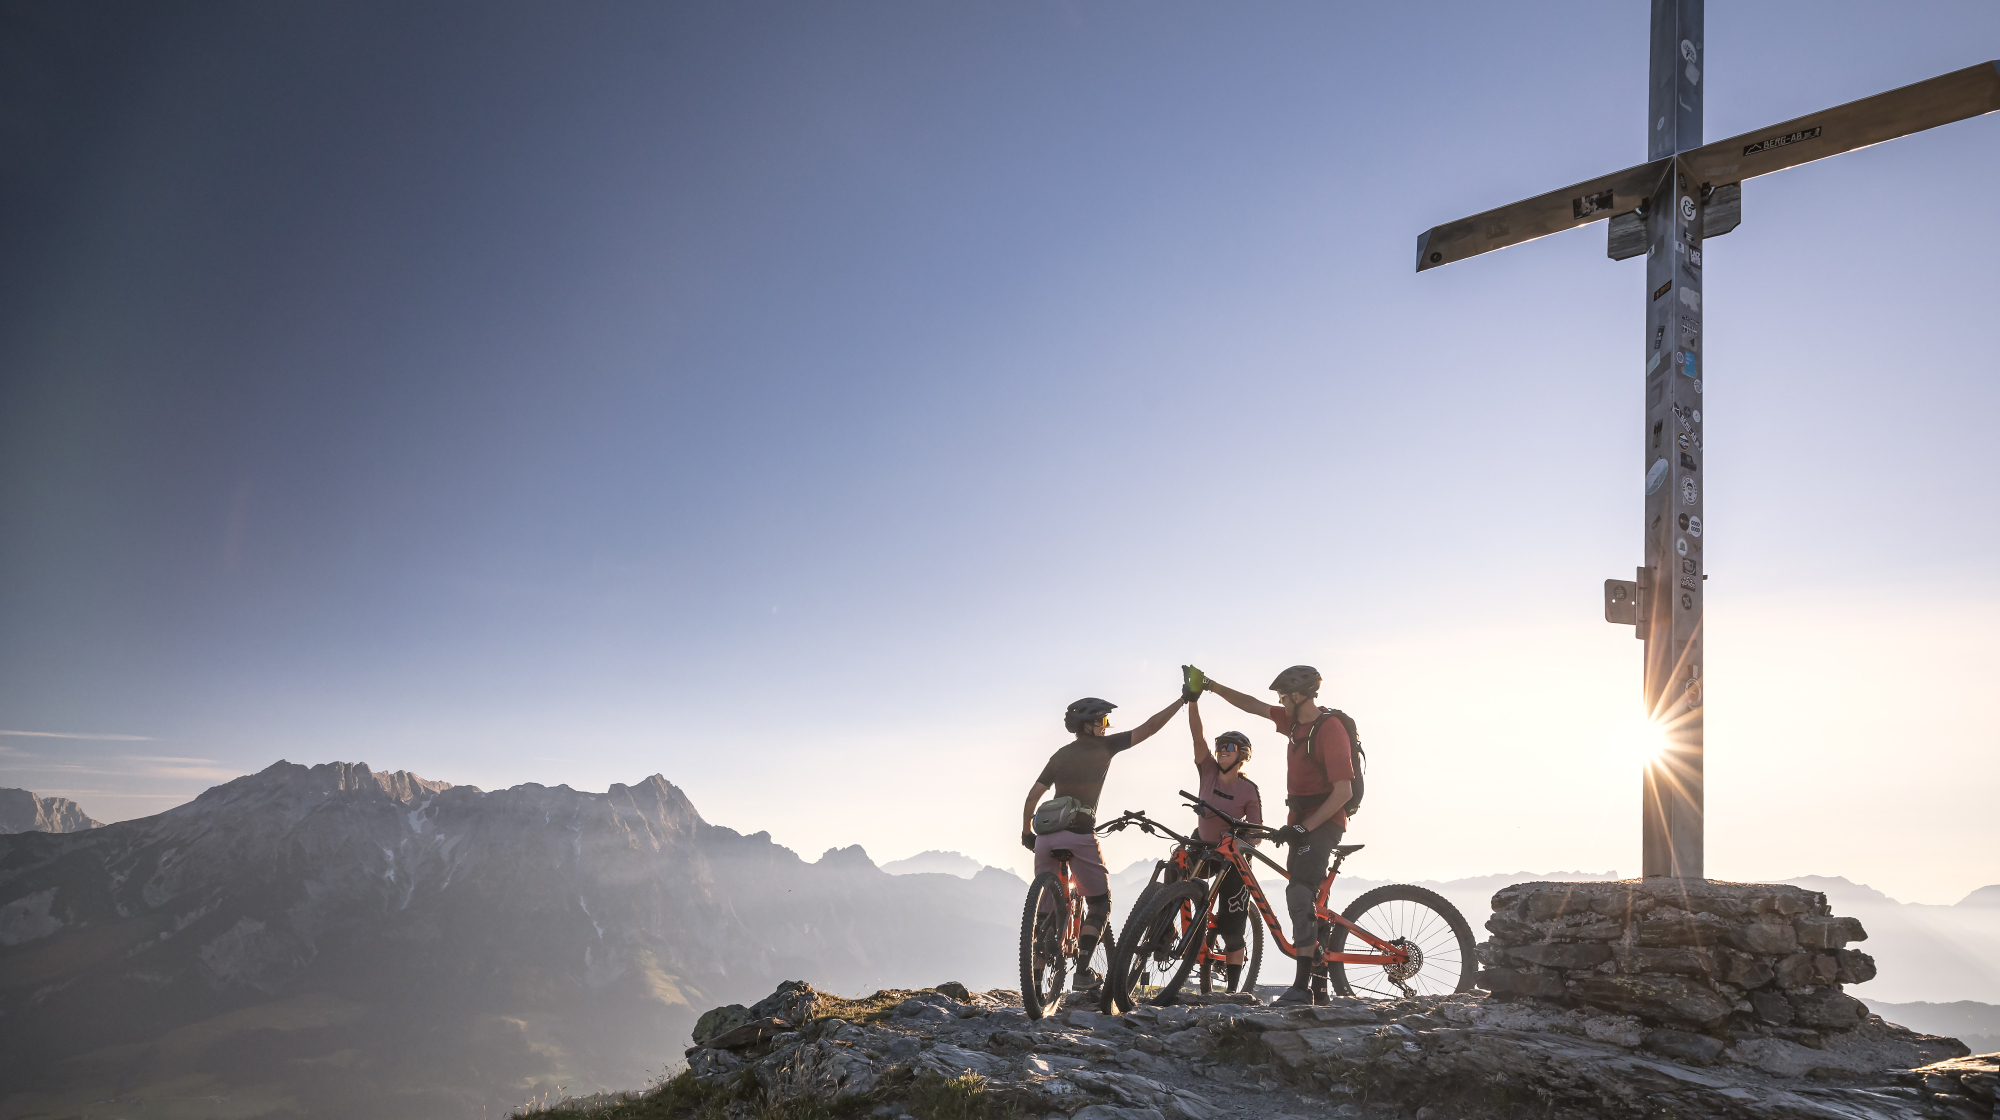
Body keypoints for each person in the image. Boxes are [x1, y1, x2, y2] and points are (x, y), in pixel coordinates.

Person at [1194, 664, 1353, 1005]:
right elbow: (1251, 704)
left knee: (1298, 894)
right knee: (1303, 893)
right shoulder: (1295, 723)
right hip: (1300, 821)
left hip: (1323, 821)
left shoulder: (1330, 729)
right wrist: (1210, 685)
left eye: (1283, 696)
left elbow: (1343, 792)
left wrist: (1304, 827)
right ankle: (1321, 977)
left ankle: (1302, 987)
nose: (1279, 702)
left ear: (1297, 696)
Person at [1020, 688, 1192, 989]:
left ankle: (1034, 981)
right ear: (1088, 725)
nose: (1106, 726)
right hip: (1079, 834)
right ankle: (1083, 972)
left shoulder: (1059, 755)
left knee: (1045, 910)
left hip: (1046, 838)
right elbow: (1149, 728)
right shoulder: (1105, 747)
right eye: (1102, 721)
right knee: (1099, 905)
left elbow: (1033, 796)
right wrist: (1182, 701)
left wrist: (1026, 833)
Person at [1186, 694, 1263, 993]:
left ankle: (1233, 990)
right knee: (1173, 867)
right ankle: (1165, 928)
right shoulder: (1208, 771)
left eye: (1228, 747)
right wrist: (1192, 702)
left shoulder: (1248, 790)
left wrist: (1242, 848)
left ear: (1243, 754)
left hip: (1234, 858)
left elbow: (1255, 832)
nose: (1220, 751)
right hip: (1203, 847)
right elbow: (1197, 737)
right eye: (1219, 747)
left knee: (1233, 927)